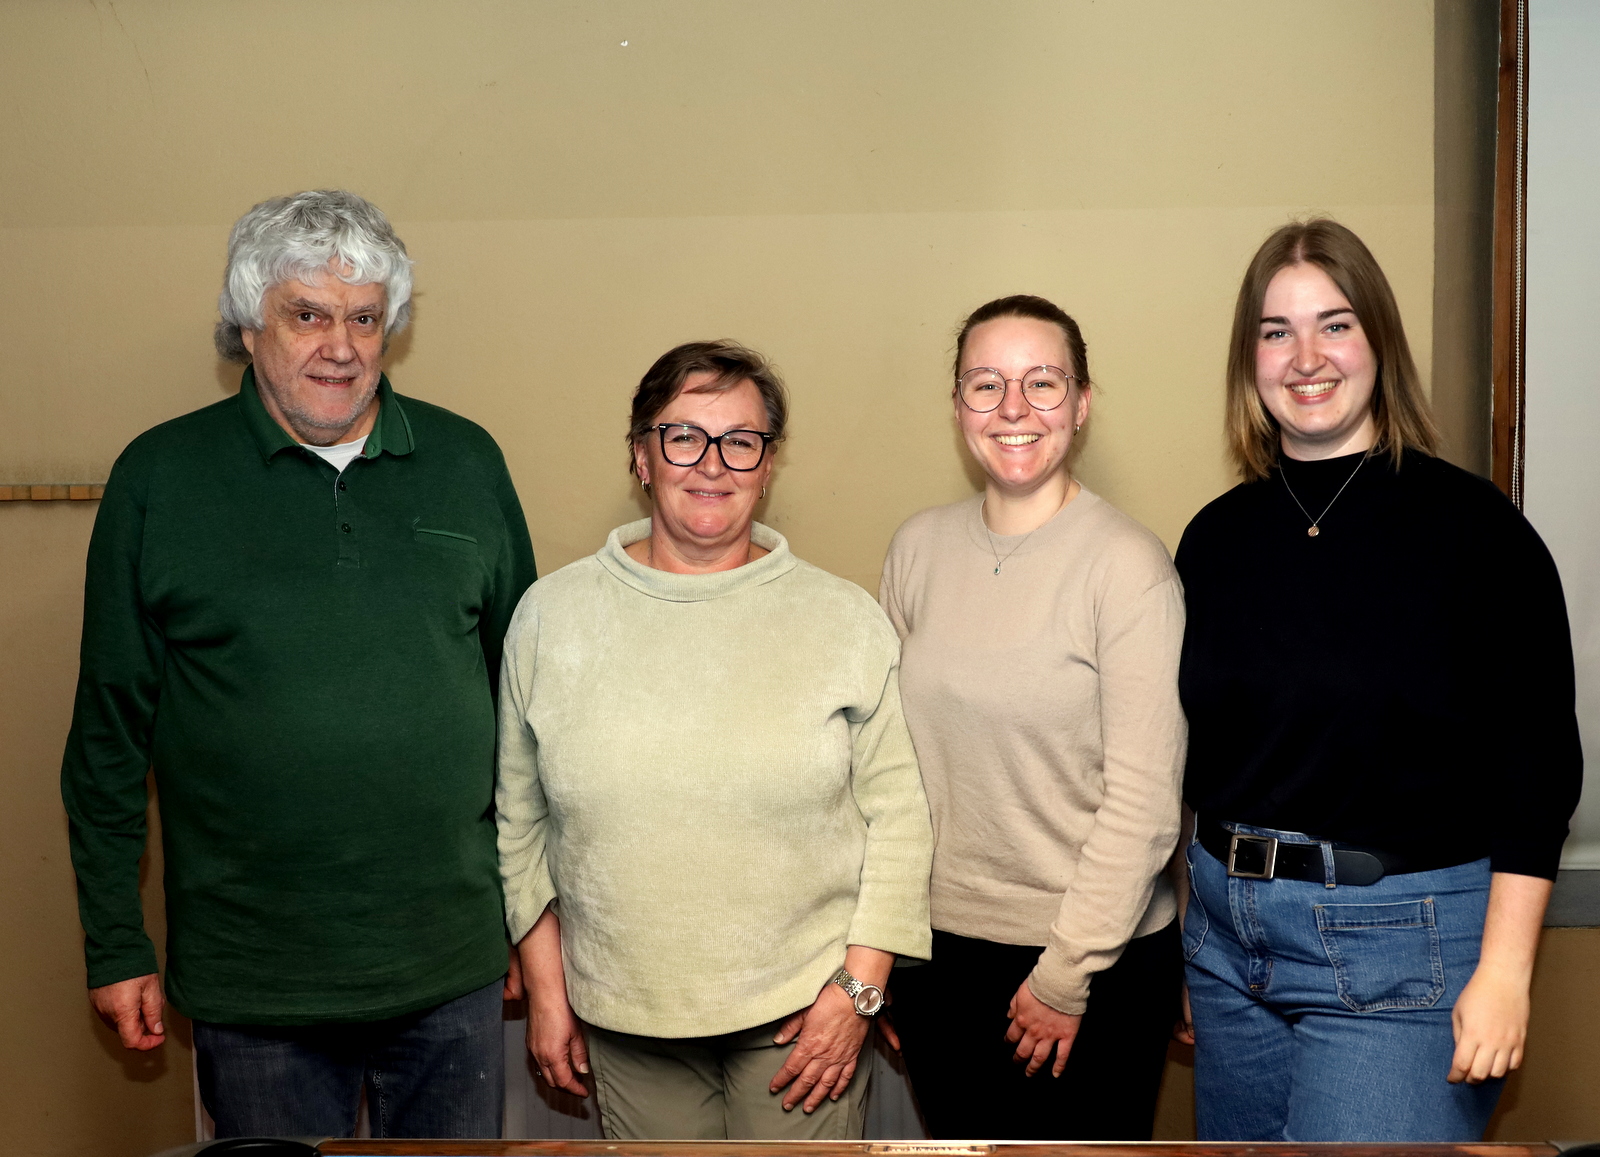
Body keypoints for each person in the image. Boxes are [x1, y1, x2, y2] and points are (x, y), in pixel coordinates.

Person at [60, 190, 536, 1139]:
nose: (341, 345)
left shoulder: (467, 461)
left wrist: (529, 920)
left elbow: (529, 713)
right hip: (253, 981)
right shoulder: (159, 478)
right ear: (248, 325)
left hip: (449, 968)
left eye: (365, 318)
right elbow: (108, 735)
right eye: (307, 314)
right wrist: (116, 942)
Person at [1175, 218, 1582, 1141]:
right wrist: (1193, 943)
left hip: (1405, 955)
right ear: (1249, 359)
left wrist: (1507, 971)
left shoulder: (1478, 533)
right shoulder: (1214, 538)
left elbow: (1540, 771)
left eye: (1336, 323)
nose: (1305, 356)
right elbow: (1195, 759)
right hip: (1227, 947)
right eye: (1276, 331)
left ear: (1380, 343)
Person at [496, 340, 933, 1141]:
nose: (712, 463)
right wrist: (548, 991)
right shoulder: (550, 618)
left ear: (768, 466)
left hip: (804, 1018)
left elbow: (901, 817)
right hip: (627, 1016)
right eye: (683, 436)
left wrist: (858, 989)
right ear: (641, 454)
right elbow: (519, 821)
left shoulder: (842, 621)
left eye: (742, 441)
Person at [880, 295, 1187, 1139]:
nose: (1014, 409)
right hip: (938, 956)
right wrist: (886, 953)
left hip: (1090, 961)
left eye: (1042, 383)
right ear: (957, 408)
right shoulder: (917, 549)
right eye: (987, 385)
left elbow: (1146, 803)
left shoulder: (1127, 566)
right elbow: (887, 772)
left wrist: (1064, 977)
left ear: (1082, 404)